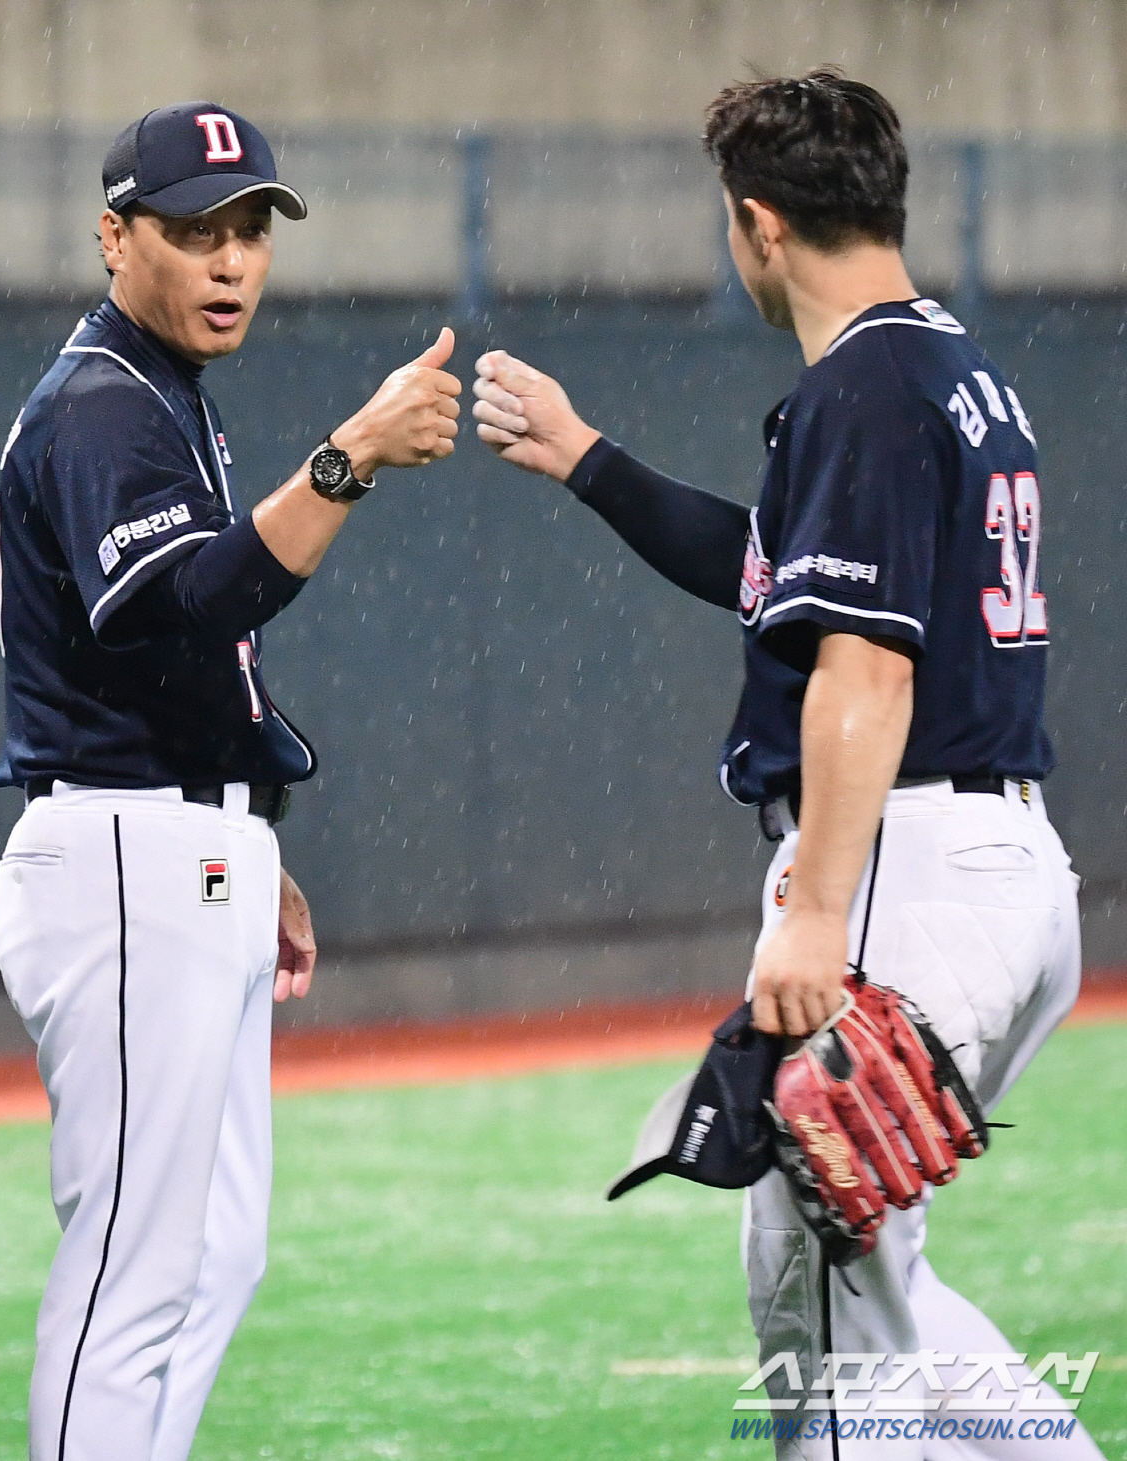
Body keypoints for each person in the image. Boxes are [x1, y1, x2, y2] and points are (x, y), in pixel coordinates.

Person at [472, 72, 1105, 1459]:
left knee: (818, 1306)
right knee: (875, 1271)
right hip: (1004, 869)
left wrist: (815, 911)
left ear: (758, 225)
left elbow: (862, 670)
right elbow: (780, 576)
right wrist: (588, 458)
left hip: (906, 870)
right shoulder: (949, 365)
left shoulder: (866, 385)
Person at [0, 101, 461, 1461]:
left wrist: (254, 837)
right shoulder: (98, 405)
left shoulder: (156, 399)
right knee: (135, 1267)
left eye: (250, 228)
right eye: (196, 230)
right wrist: (350, 454)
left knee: (211, 1253)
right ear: (114, 237)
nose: (230, 260)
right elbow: (182, 608)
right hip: (120, 857)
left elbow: (189, 668)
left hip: (178, 843)